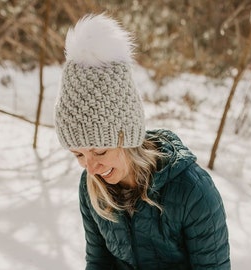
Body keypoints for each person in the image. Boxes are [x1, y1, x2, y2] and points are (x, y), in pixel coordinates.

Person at [54, 13, 230, 270]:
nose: (90, 168)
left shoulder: (193, 192)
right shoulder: (91, 187)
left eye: (100, 151)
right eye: (78, 155)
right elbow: (99, 262)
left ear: (129, 138)